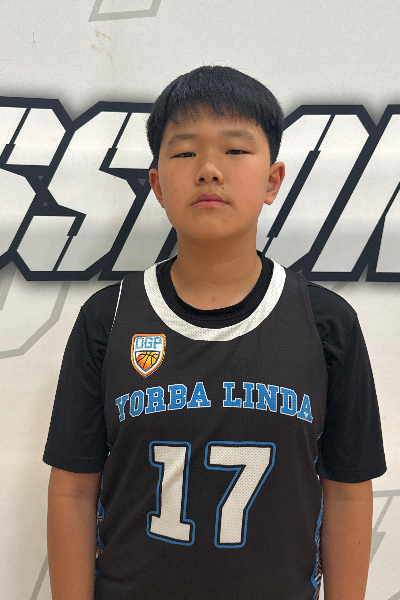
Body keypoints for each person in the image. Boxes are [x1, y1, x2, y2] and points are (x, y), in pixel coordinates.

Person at [43, 65, 386, 600]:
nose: (208, 169)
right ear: (158, 185)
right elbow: (72, 490)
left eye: (235, 149)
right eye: (185, 153)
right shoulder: (108, 318)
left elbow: (345, 491)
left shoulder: (326, 323)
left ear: (272, 180)